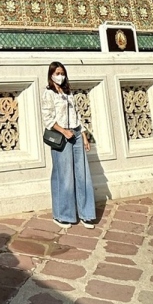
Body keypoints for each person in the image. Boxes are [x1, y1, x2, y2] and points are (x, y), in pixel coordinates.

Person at [41, 61, 95, 227]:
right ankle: (62, 215)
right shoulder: (48, 93)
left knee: (82, 174)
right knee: (64, 176)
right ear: (51, 75)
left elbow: (76, 115)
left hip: (76, 133)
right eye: (57, 73)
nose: (60, 76)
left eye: (62, 73)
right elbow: (48, 119)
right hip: (61, 136)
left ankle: (86, 214)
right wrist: (64, 131)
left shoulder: (68, 92)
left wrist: (84, 136)